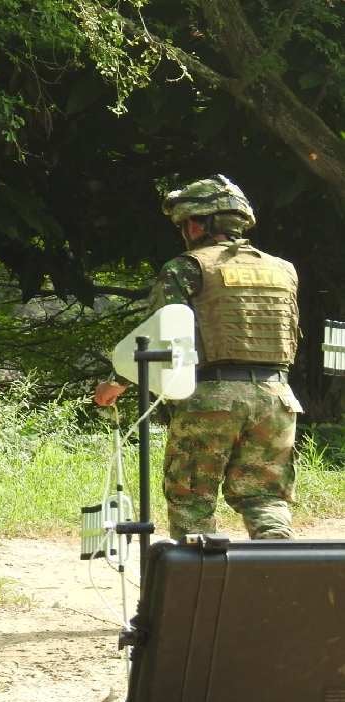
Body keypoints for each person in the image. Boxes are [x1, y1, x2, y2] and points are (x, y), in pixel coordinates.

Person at [94, 175, 301, 541]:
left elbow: (158, 332)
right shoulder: (283, 270)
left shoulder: (186, 267)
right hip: (277, 398)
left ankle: (198, 590)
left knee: (192, 498)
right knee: (265, 498)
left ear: (194, 223)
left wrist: (118, 380)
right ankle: (277, 585)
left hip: (210, 397)